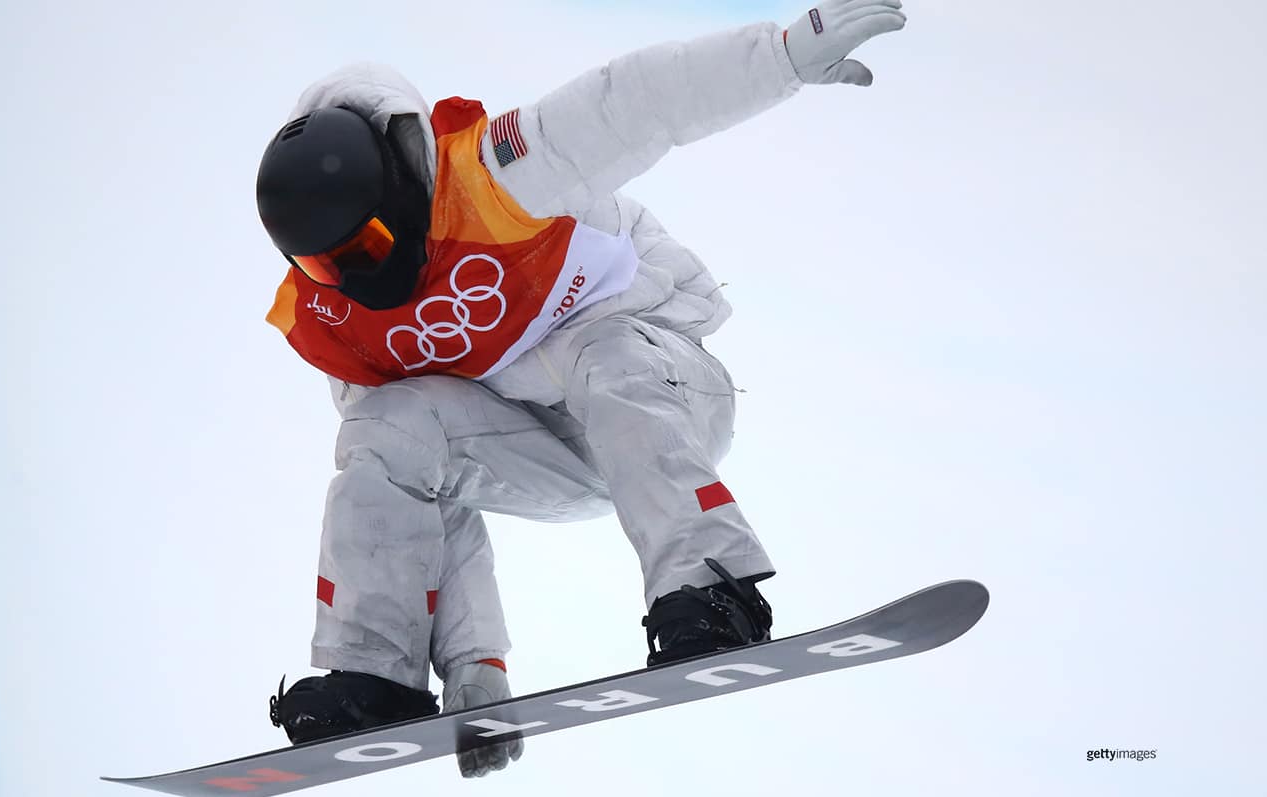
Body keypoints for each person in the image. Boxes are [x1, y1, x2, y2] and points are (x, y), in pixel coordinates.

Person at [256, 0, 906, 778]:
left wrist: (782, 58)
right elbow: (418, 494)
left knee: (604, 353)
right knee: (386, 428)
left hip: (664, 391)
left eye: (368, 239)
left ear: (397, 181)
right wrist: (477, 674)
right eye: (330, 262)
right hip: (538, 452)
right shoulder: (344, 321)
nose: (359, 269)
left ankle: (708, 588)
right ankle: (378, 673)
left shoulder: (495, 176)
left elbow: (634, 101)